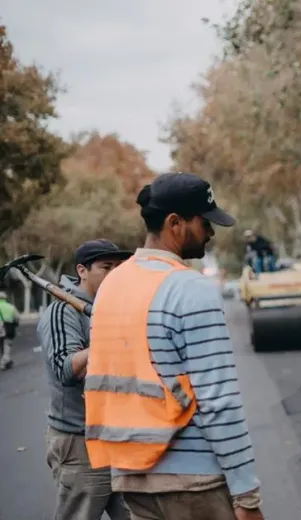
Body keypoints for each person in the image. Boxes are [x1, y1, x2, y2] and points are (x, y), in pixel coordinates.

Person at [83, 172, 265, 520]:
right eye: (205, 222)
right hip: (194, 483)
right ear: (175, 223)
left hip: (132, 479)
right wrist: (246, 494)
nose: (211, 232)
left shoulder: (110, 286)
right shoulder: (189, 287)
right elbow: (218, 400)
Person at [38, 239, 133, 520]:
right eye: (106, 267)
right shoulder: (62, 311)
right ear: (82, 270)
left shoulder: (112, 307)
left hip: (120, 437)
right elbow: (66, 370)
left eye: (118, 267)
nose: (114, 273)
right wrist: (106, 340)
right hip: (80, 442)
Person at [0, 289, 18, 370]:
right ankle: (3, 362)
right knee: (7, 345)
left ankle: (8, 361)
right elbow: (17, 317)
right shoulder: (11, 307)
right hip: (7, 328)